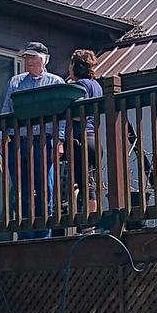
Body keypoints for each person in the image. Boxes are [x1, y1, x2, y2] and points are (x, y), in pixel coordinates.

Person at [0, 41, 64, 238]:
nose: (28, 61)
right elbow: (6, 109)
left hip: (43, 140)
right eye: (26, 57)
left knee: (46, 186)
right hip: (18, 141)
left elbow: (62, 114)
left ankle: (44, 232)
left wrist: (60, 140)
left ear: (45, 59)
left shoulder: (56, 82)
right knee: (21, 187)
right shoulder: (16, 82)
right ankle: (26, 232)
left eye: (32, 57)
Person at [60, 49, 104, 217]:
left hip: (81, 139)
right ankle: (91, 218)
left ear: (75, 66)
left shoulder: (80, 86)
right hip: (94, 138)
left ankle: (89, 220)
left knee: (84, 183)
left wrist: (65, 111)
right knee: (90, 181)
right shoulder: (97, 86)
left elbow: (80, 114)